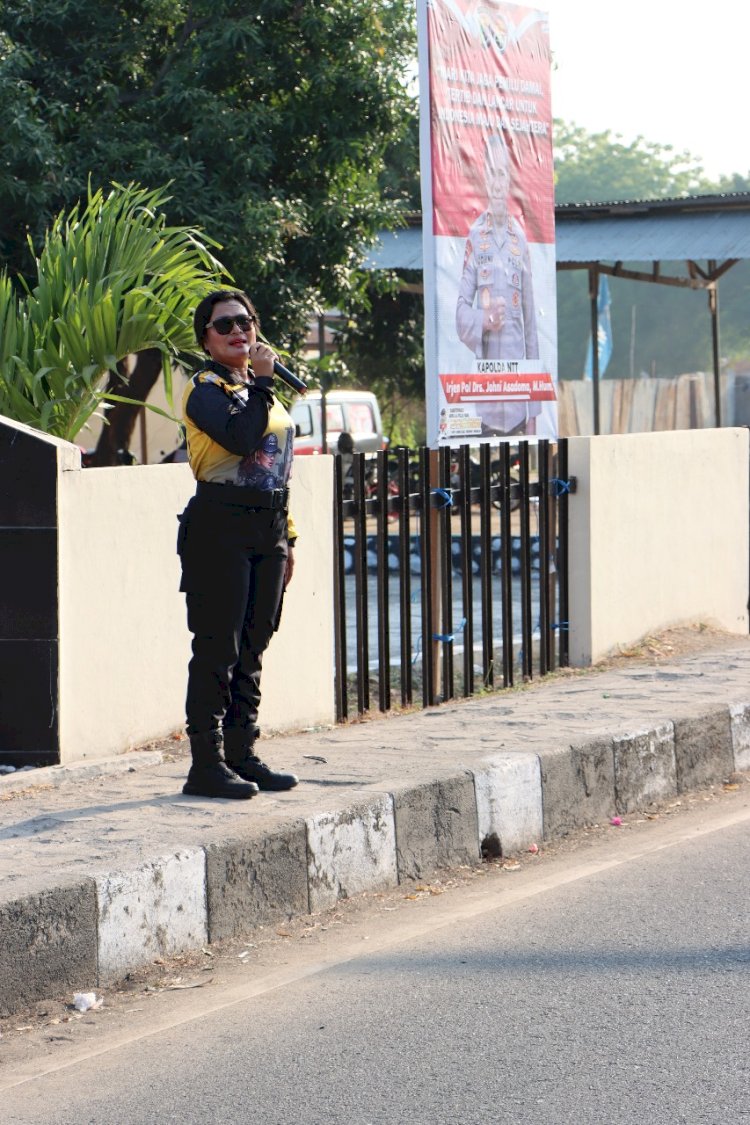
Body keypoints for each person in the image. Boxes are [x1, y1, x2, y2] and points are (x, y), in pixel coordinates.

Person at [176, 289, 299, 799]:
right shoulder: (204, 389)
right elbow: (243, 439)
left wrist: (287, 536)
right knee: (217, 648)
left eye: (245, 322)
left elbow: (278, 466)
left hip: (266, 527)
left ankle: (242, 754)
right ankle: (205, 764)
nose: (238, 332)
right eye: (224, 325)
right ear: (206, 338)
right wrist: (265, 384)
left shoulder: (264, 392)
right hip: (219, 526)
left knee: (254, 643)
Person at [455, 133, 542, 437]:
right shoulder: (476, 237)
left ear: (509, 180)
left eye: (501, 173)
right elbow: (460, 311)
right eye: (490, 172)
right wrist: (484, 321)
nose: (495, 181)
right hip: (487, 407)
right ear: (483, 177)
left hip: (519, 405)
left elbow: (531, 327)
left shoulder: (520, 239)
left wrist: (534, 412)